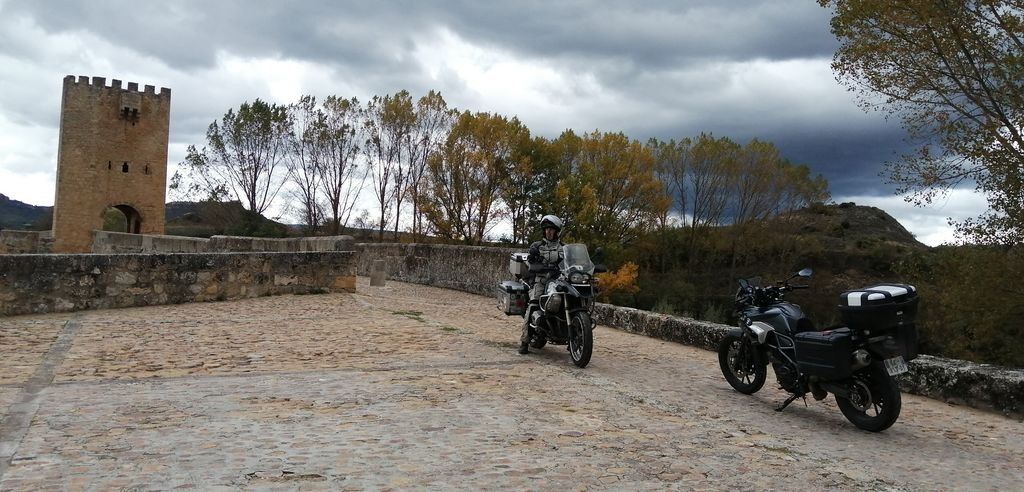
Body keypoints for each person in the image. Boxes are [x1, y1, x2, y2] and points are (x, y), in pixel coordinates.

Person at [519, 214, 564, 354]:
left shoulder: (564, 247)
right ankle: (524, 342)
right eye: (546, 229)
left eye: (551, 229)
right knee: (533, 304)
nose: (549, 232)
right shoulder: (537, 246)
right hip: (541, 280)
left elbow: (571, 261)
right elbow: (530, 261)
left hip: (558, 280)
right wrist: (535, 265)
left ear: (557, 231)